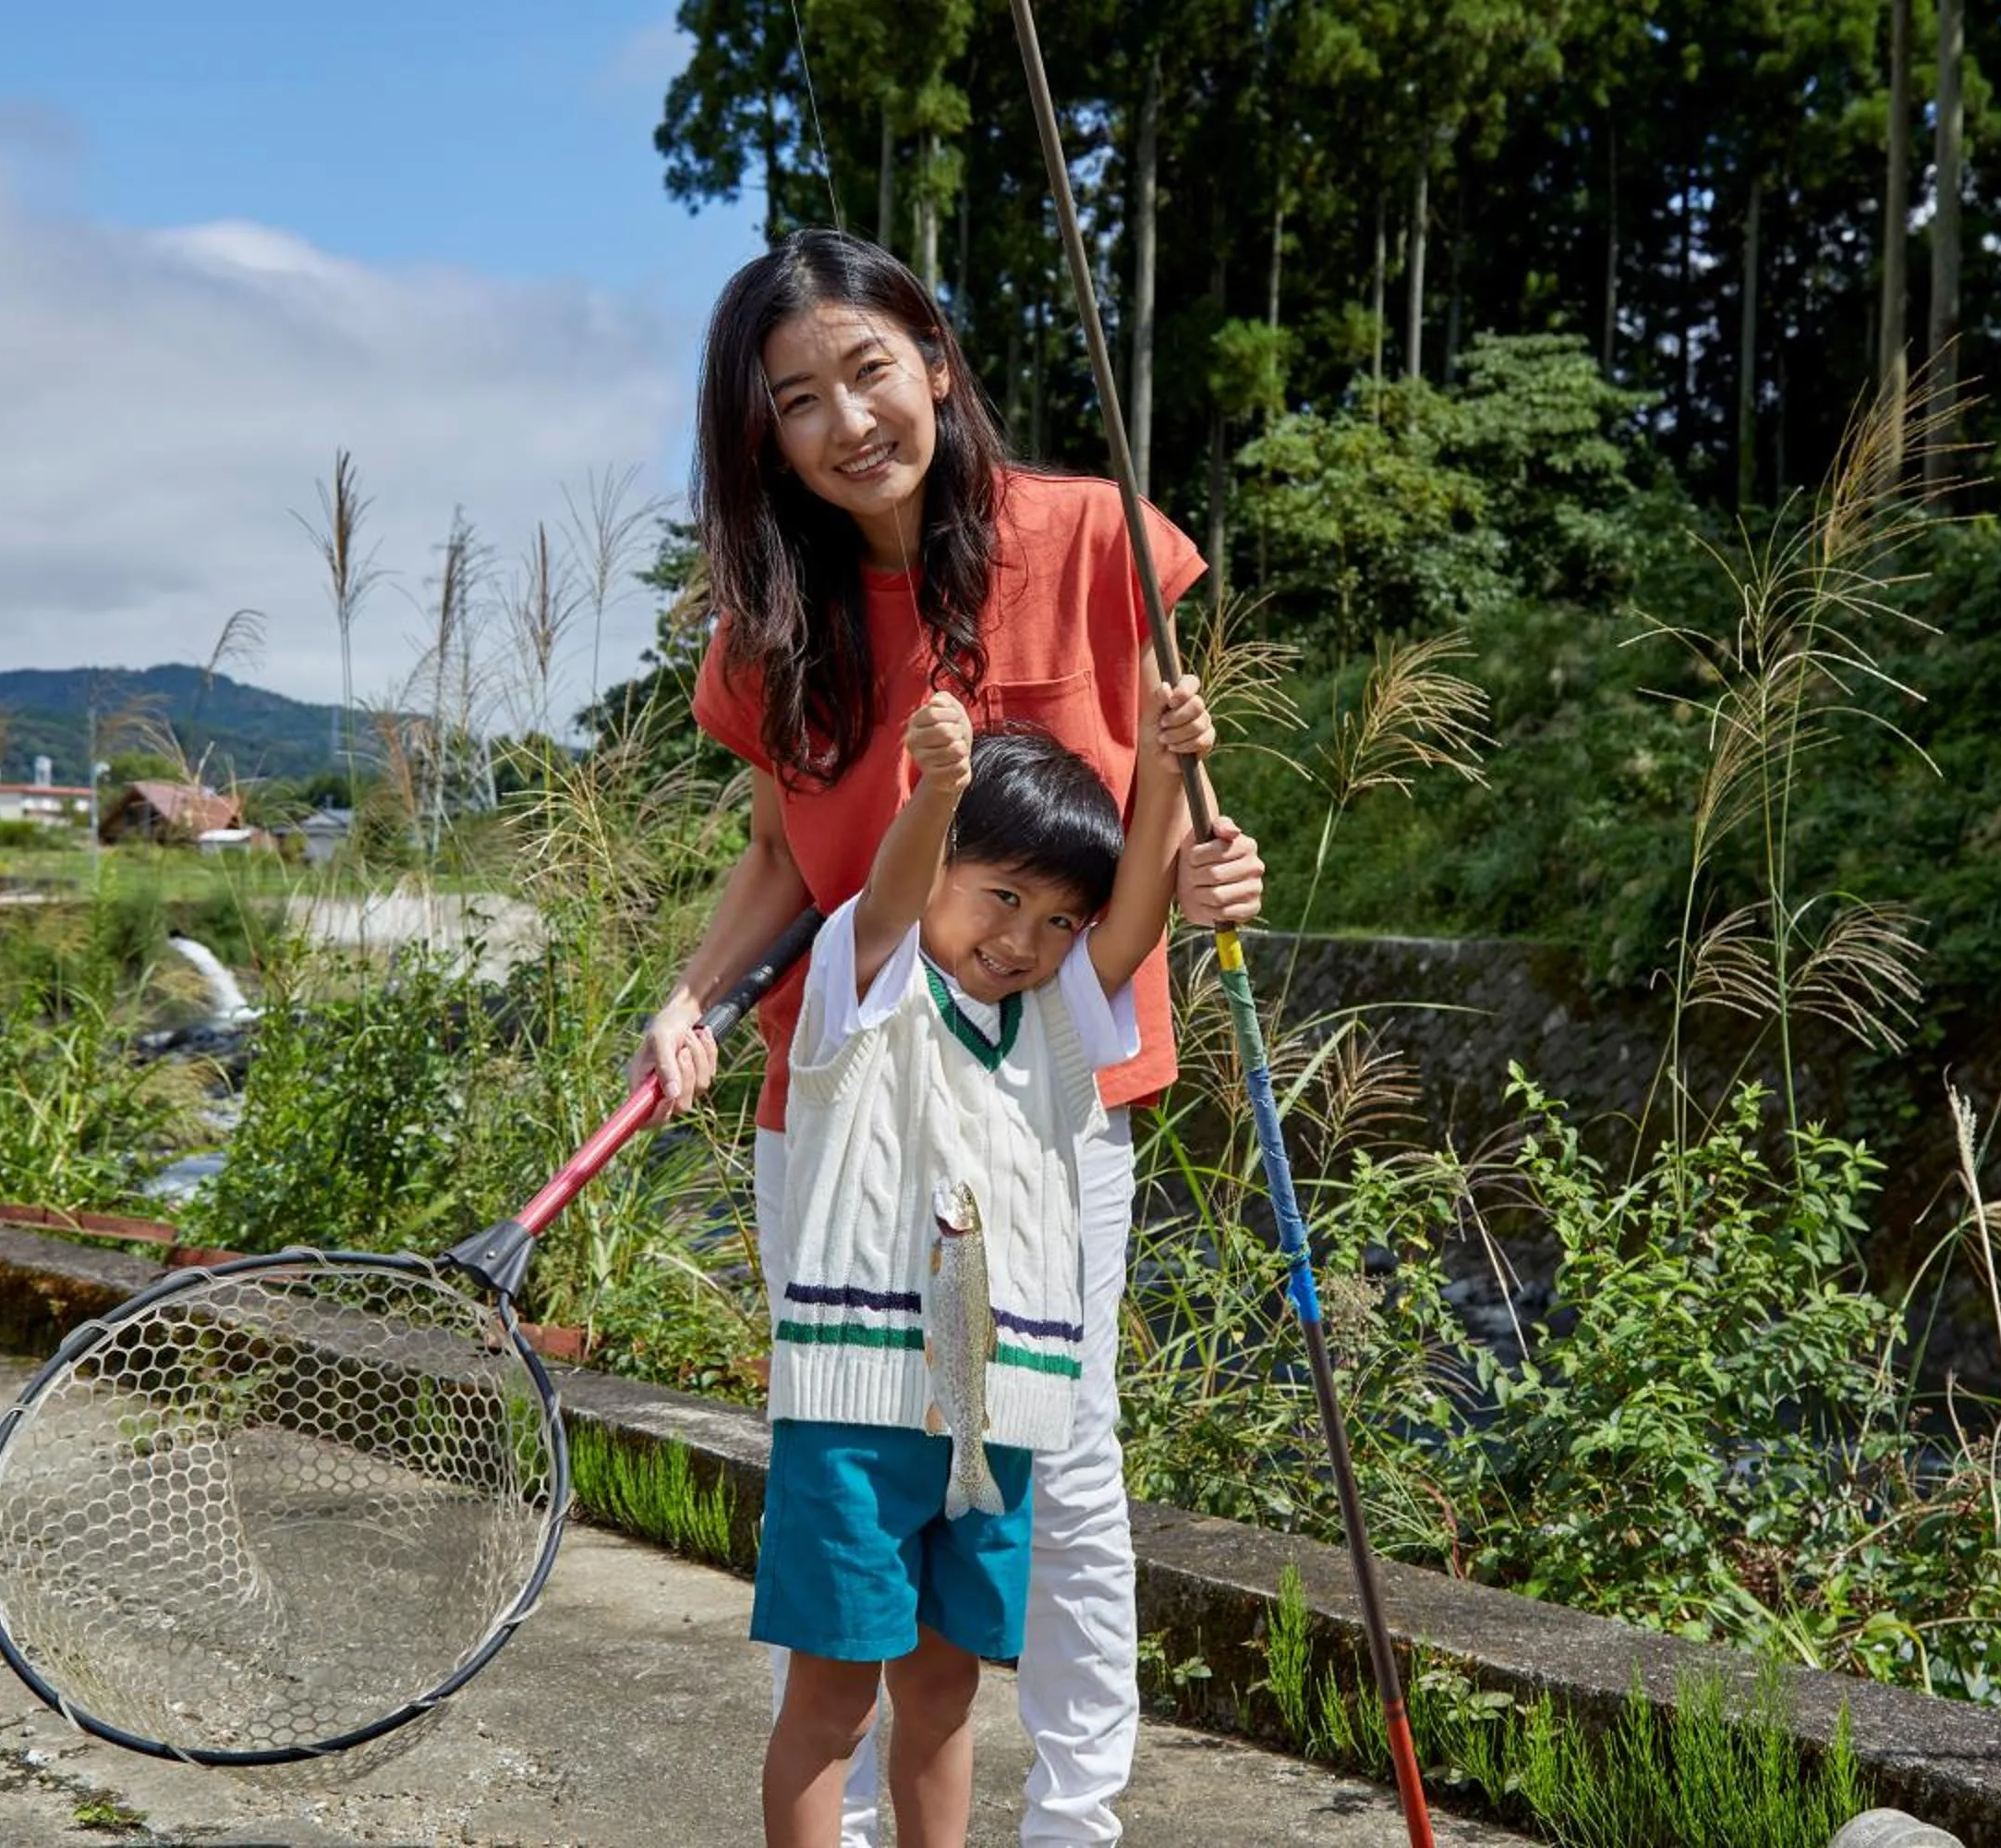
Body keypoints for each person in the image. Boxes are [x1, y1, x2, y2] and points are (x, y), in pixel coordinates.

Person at [633, 227, 1265, 1847]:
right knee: (856, 1446)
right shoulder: (768, 626)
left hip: (1050, 1094)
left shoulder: (1092, 540)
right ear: (760, 437)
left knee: (1064, 1455)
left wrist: (1207, 859)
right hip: (842, 1110)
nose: (849, 420)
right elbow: (785, 856)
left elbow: (1154, 801)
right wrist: (691, 999)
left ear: (937, 359)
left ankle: (1074, 1821)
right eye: (796, 401)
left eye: (869, 369)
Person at [757, 687, 1232, 1848]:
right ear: (943, 870)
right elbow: (889, 898)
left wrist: (1164, 769)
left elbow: (1130, 922)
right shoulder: (865, 990)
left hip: (995, 1425)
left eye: (1054, 920)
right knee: (831, 1700)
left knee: (944, 1690)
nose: (1024, 938)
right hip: (855, 1418)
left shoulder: (1057, 1034)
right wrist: (938, 790)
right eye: (1002, 897)